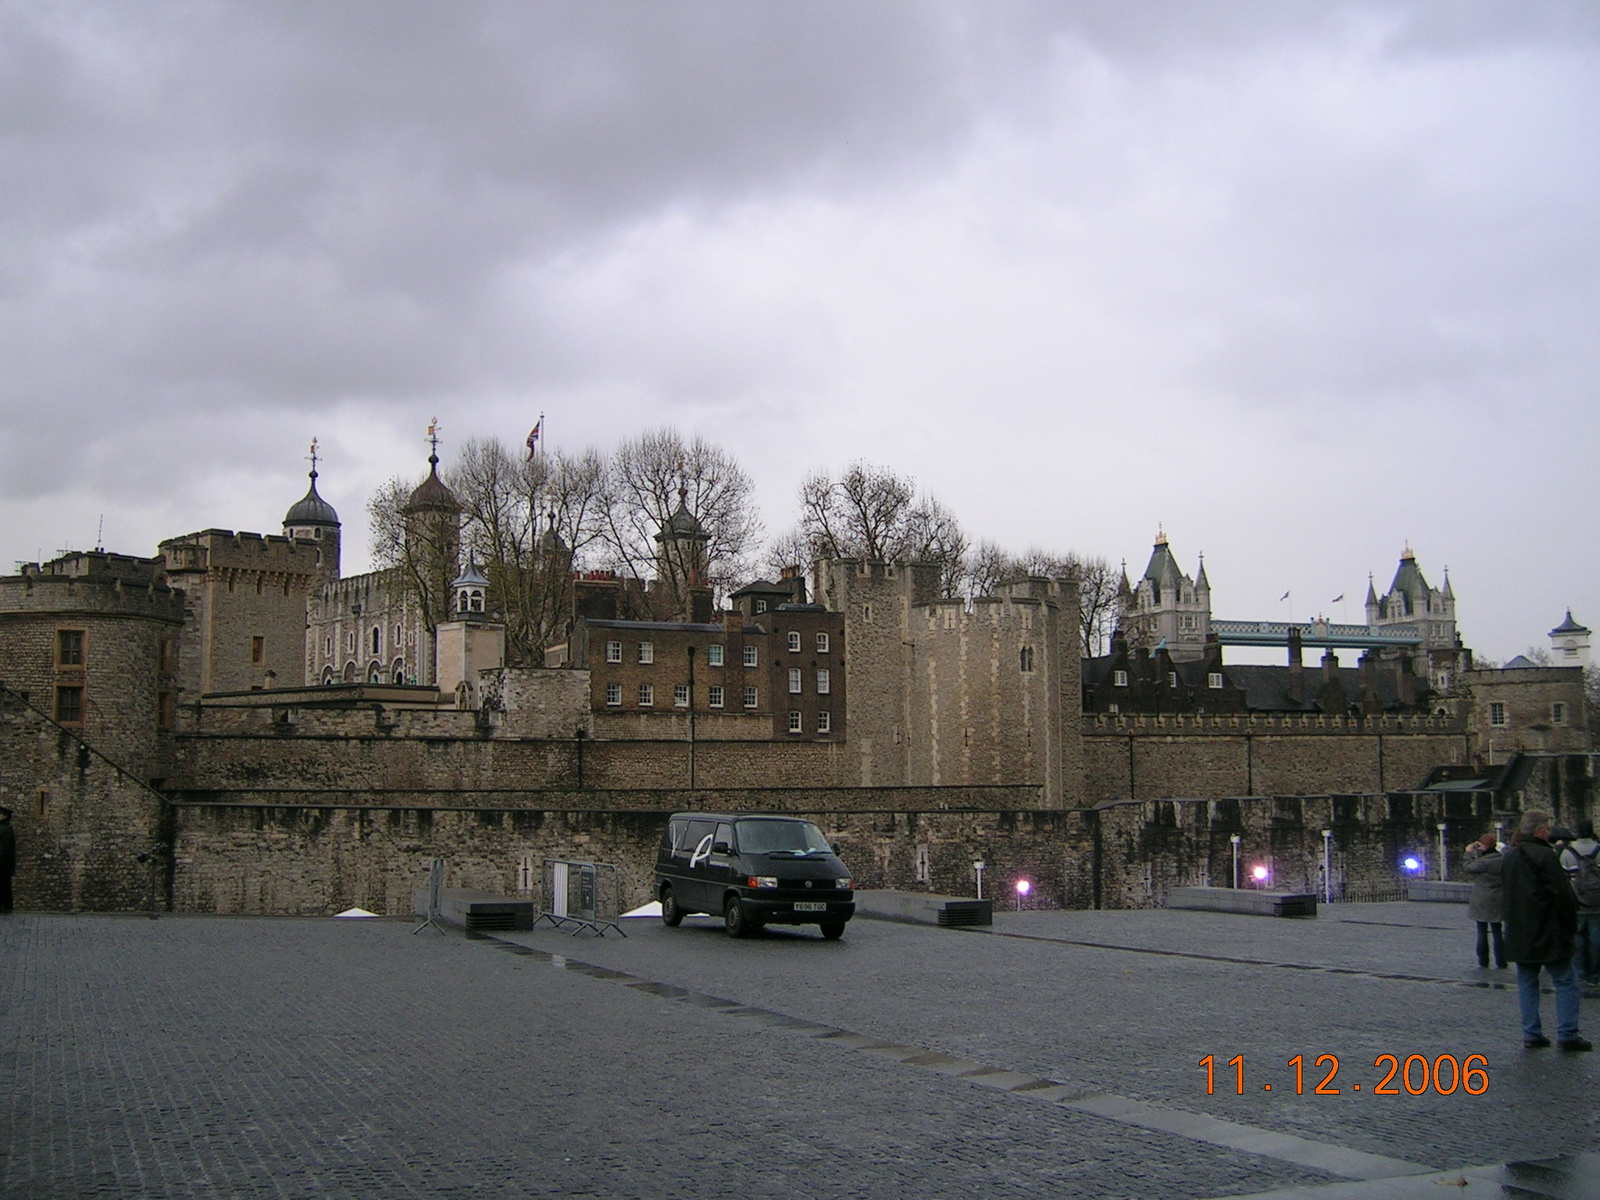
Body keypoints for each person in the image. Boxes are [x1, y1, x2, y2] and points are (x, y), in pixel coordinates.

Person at [1502, 809, 1589, 1050]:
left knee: (1527, 982)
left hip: (1519, 930)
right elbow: (1562, 895)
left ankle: (1531, 1033)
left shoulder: (1510, 857)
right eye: (1548, 828)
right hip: (1547, 930)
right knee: (1565, 980)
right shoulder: (1545, 856)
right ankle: (1568, 1033)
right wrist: (1570, 925)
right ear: (1540, 830)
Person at [1559, 818, 1600, 995]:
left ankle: (1579, 973)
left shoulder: (1567, 852)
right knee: (1596, 939)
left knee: (1578, 938)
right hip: (1597, 904)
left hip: (1576, 903)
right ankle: (1594, 975)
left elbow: (1563, 880)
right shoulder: (1599, 850)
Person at [1464, 831, 1506, 969]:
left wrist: (1468, 853)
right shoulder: (1502, 859)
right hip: (1498, 898)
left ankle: (1483, 960)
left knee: (1482, 931)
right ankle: (1501, 961)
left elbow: (1468, 868)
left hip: (1482, 899)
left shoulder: (1484, 862)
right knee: (1497, 931)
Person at [0, 805, 14, 914]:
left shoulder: (6, 829)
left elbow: (5, 848)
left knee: (4, 885)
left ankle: (6, 906)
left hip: (3, 864)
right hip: (4, 864)